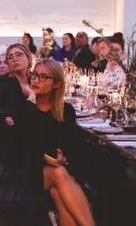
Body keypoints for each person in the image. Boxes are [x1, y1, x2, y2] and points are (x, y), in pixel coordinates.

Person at [21, 59, 95, 226]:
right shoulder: (26, 108)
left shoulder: (65, 110)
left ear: (56, 84)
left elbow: (73, 145)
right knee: (59, 173)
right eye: (34, 75)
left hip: (61, 171)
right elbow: (31, 145)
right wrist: (31, 100)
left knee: (58, 193)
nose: (36, 80)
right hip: (31, 171)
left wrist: (64, 159)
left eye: (43, 77)